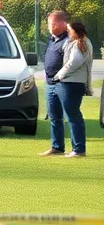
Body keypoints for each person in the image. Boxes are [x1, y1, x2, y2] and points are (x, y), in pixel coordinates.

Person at [48, 20, 93, 158]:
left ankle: (79, 149)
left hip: (72, 84)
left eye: (69, 29)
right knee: (68, 115)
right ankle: (68, 148)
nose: (67, 32)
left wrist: (59, 75)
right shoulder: (75, 42)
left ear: (75, 30)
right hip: (68, 83)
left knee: (73, 116)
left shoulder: (81, 43)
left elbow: (74, 62)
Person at [40, 10, 72, 156]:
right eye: (49, 24)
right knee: (54, 117)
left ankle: (77, 149)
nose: (49, 26)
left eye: (52, 24)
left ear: (61, 24)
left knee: (71, 116)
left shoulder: (69, 41)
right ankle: (57, 147)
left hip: (64, 83)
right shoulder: (51, 40)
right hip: (50, 83)